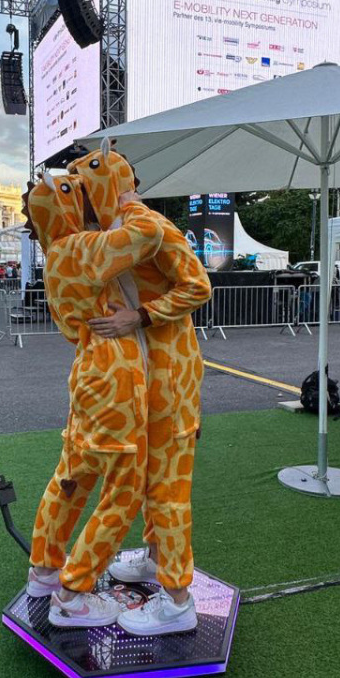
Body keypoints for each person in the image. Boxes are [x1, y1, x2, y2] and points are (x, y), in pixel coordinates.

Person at [68, 140, 212, 634]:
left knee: (168, 483)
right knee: (152, 474)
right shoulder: (117, 231)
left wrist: (140, 316)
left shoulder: (152, 226)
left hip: (171, 374)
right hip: (144, 375)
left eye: (84, 187)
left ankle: (176, 600)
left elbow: (198, 285)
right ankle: (155, 559)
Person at [24, 172, 167, 630]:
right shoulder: (79, 247)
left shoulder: (55, 254)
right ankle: (73, 594)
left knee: (71, 477)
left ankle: (45, 571)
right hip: (113, 378)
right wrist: (128, 200)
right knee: (125, 488)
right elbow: (148, 235)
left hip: (87, 373)